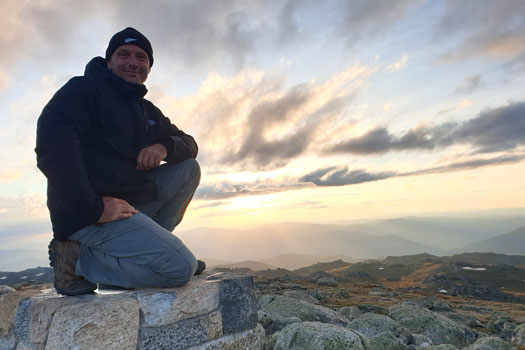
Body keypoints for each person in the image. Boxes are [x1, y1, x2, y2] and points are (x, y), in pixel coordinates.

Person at [35, 27, 204, 296]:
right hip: (87, 214)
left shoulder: (145, 110)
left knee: (188, 169)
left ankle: (133, 263)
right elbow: (52, 149)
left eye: (141, 57)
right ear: (109, 60)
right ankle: (76, 261)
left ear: (149, 66)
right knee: (180, 268)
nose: (133, 62)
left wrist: (164, 146)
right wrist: (93, 208)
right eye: (123, 54)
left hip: (127, 204)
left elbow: (190, 144)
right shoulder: (82, 91)